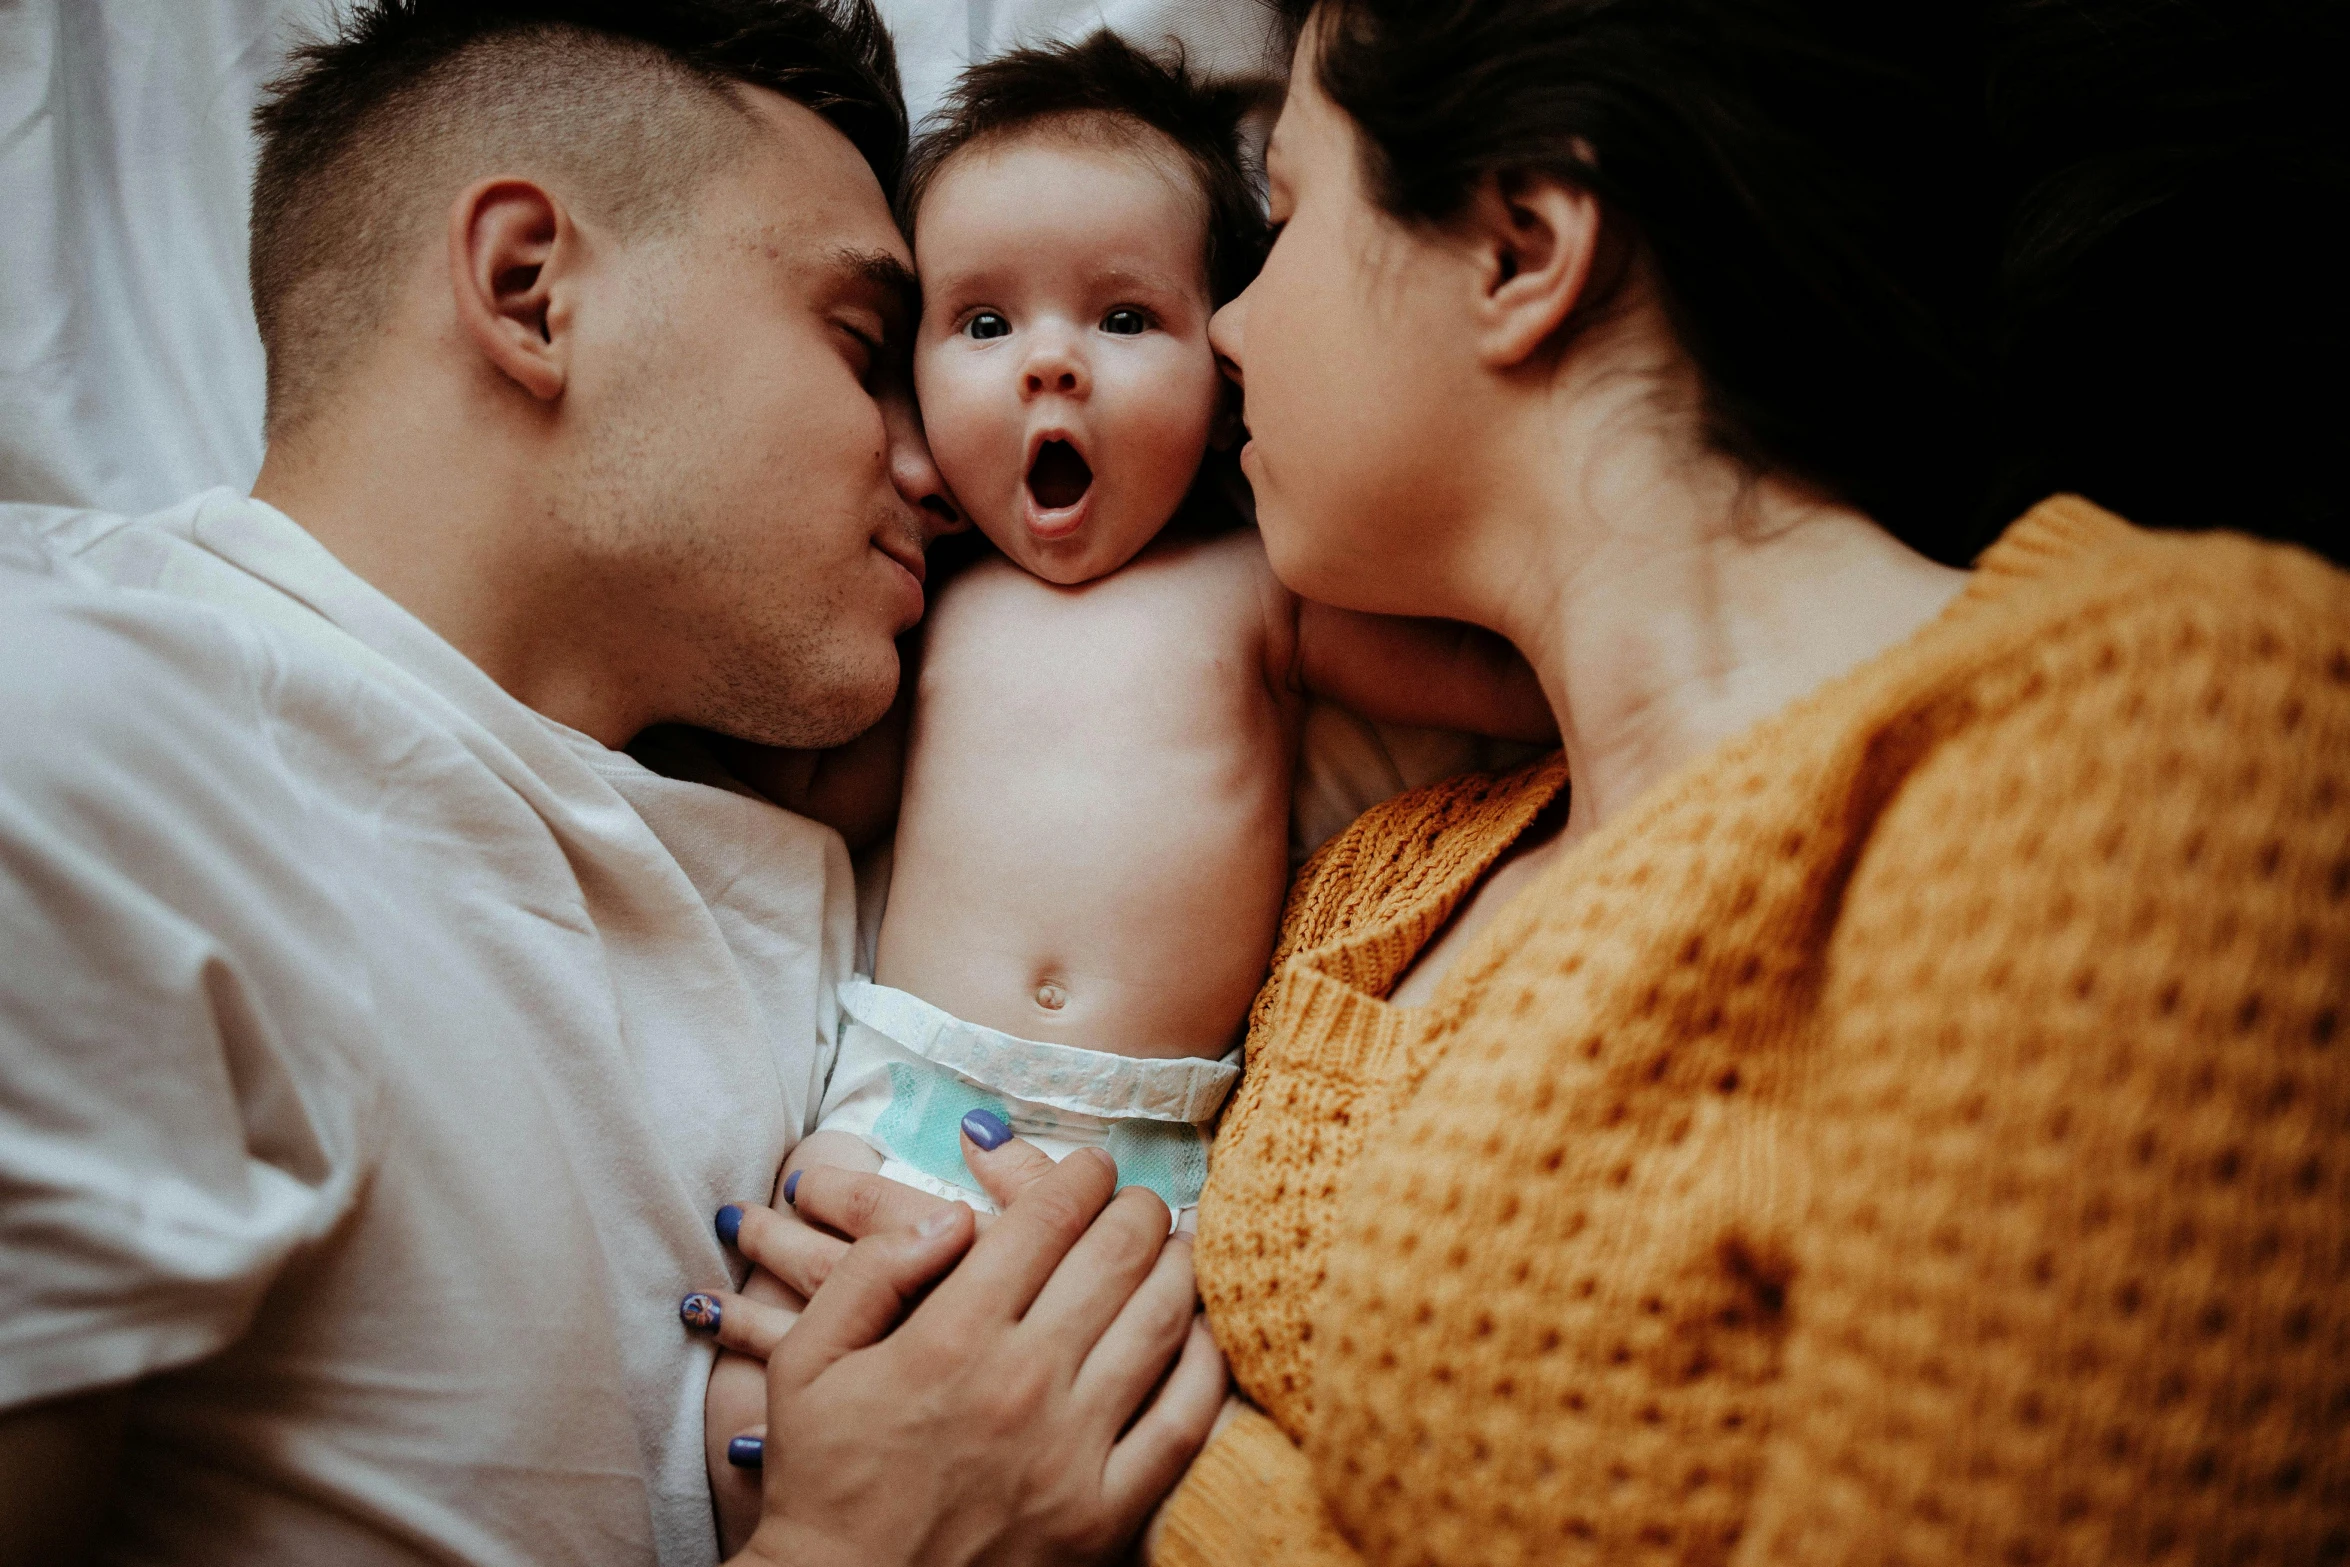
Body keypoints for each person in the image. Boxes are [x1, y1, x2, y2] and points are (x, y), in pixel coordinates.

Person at [0, 3, 1221, 1563]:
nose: (935, 468)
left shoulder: (789, 830)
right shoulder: (82, 748)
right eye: (865, 347)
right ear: (531, 292)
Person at [1133, 0, 2347, 1562]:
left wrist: (1084, 1499)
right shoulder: (1392, 870)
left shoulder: (2157, 733)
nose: (1225, 322)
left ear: (1519, 247)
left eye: (1285, 217)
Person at [686, 34, 1553, 1550]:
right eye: (980, 319)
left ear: (1225, 377)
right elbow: (787, 794)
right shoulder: (922, 611)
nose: (1048, 360)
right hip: (910, 1115)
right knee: (765, 1410)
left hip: (1159, 1170)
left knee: (1158, 1485)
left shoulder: (1260, 593)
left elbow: (1512, 687)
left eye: (1124, 313)